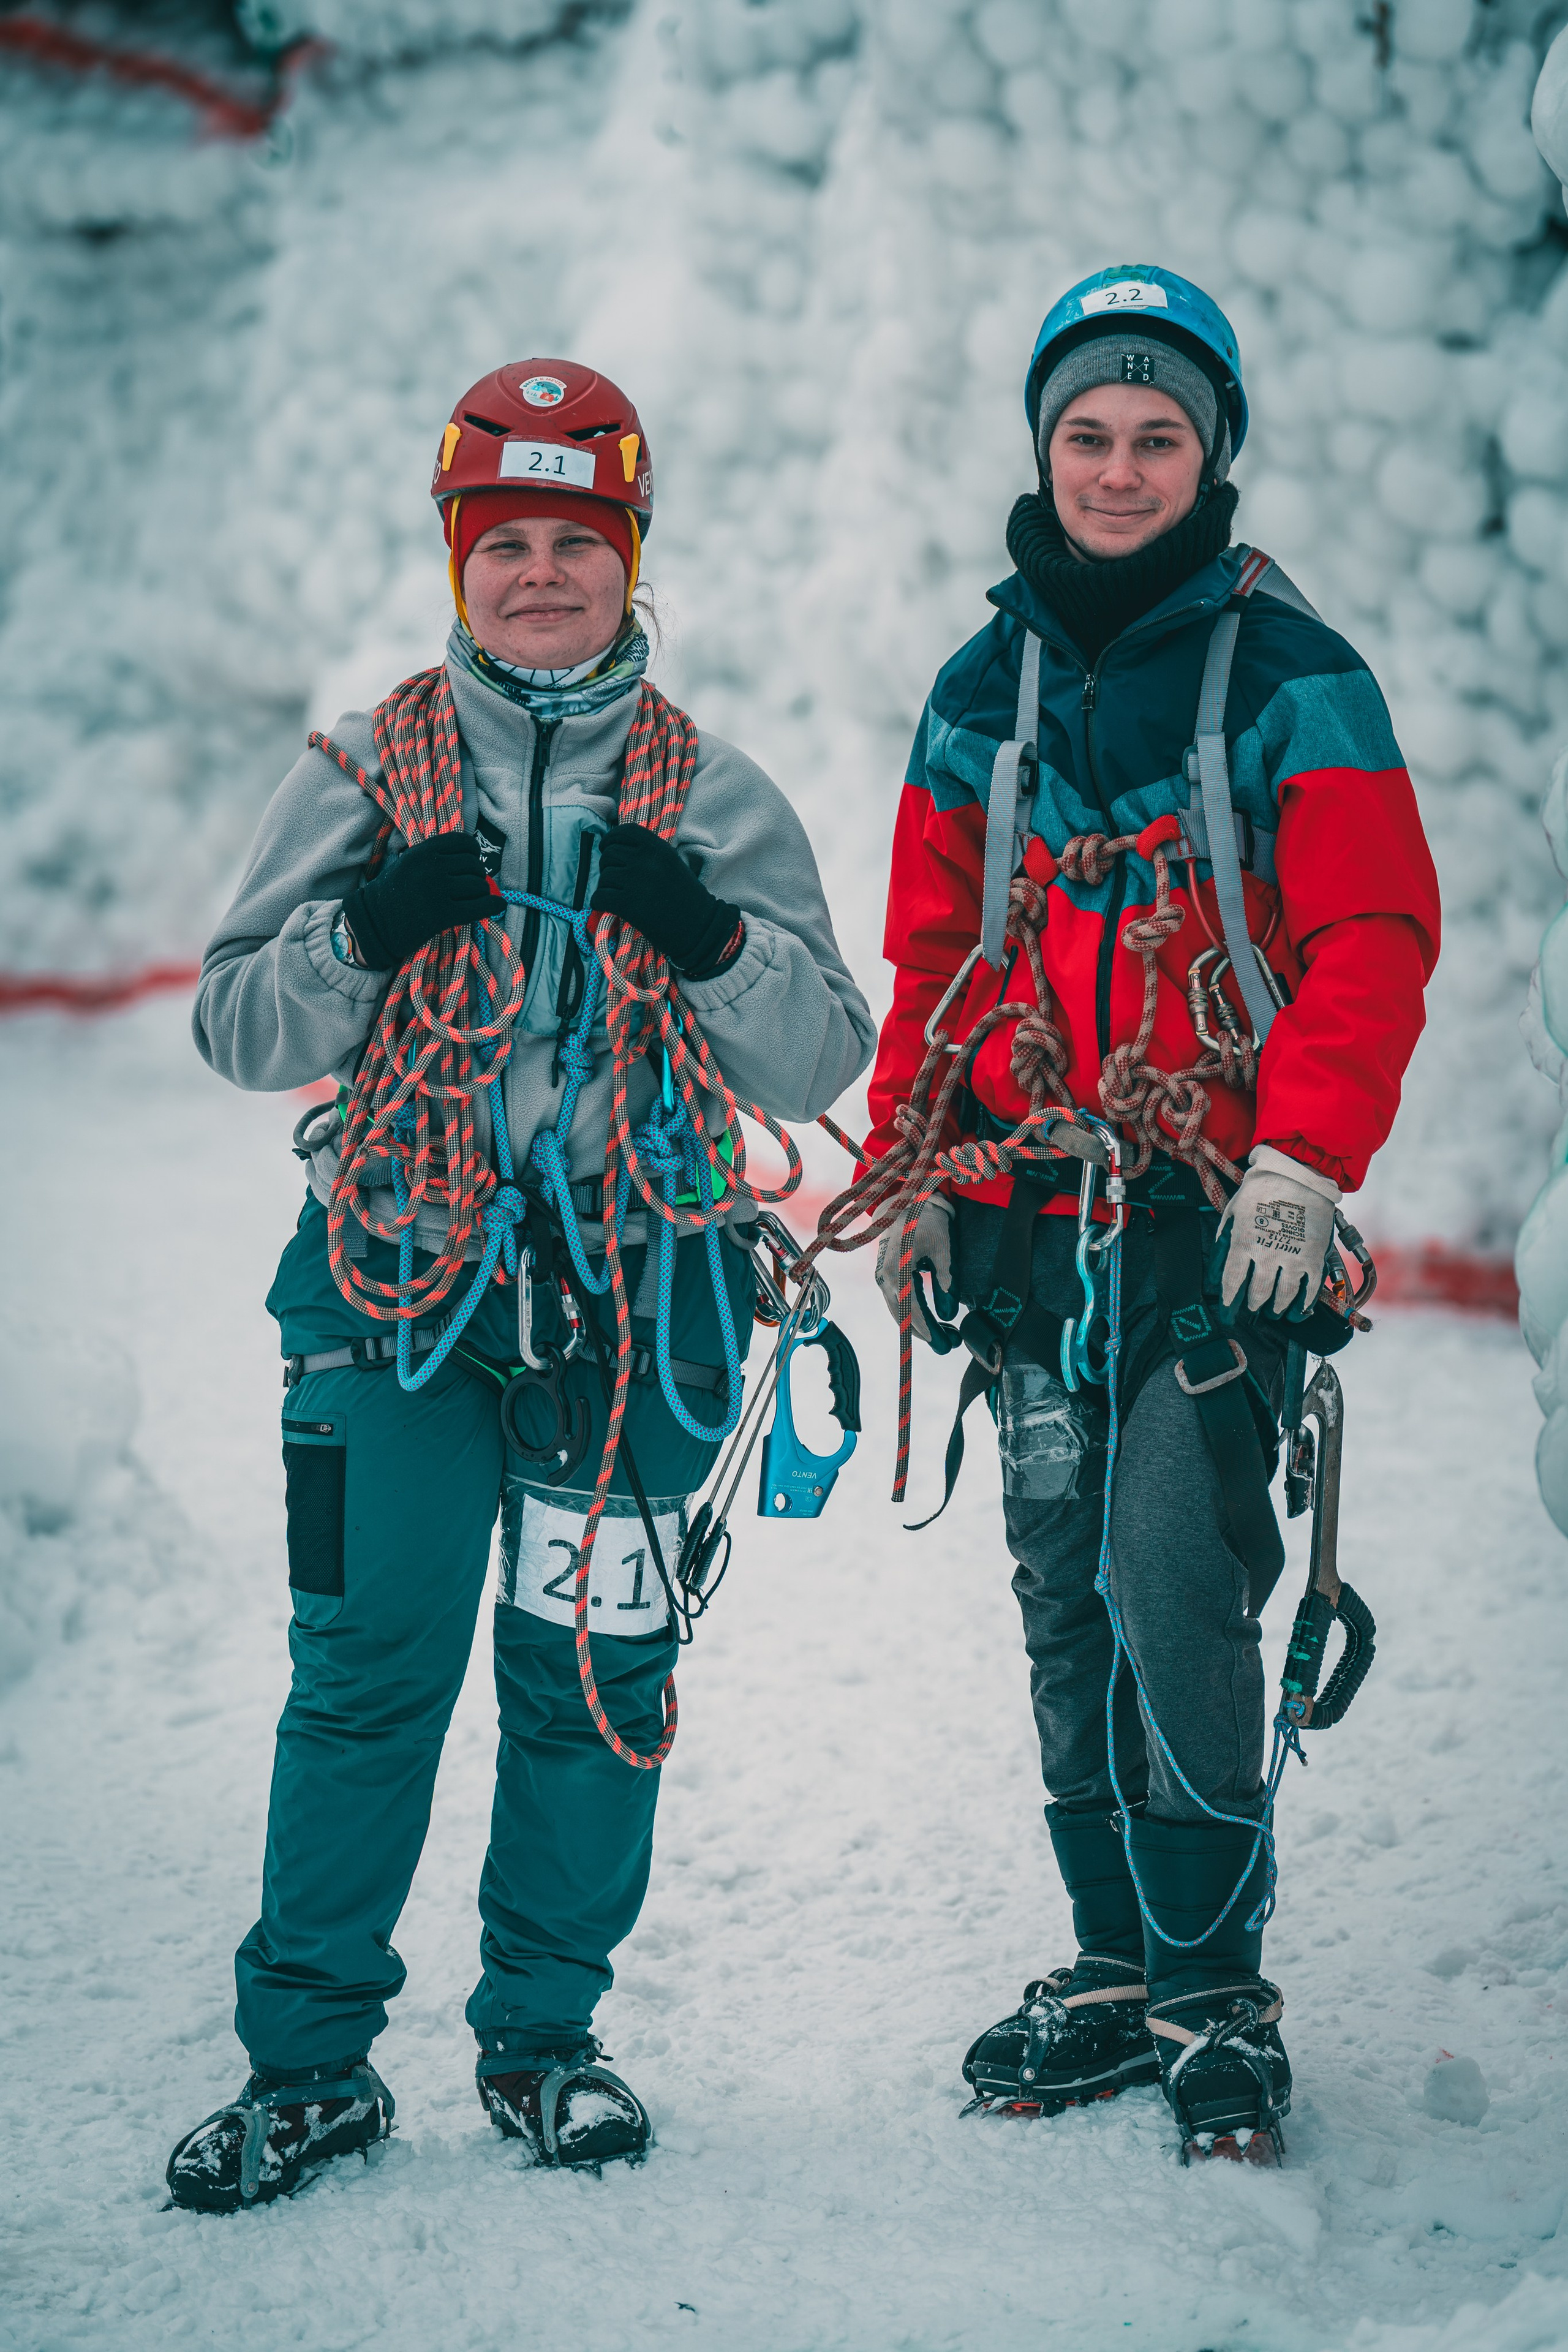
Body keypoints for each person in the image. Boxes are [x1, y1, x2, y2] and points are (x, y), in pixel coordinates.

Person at [171, 358, 874, 2211]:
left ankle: (546, 2040)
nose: (541, 575)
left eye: (576, 540)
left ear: (631, 552)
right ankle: (308, 2066)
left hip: (636, 1302)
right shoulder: (357, 773)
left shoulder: (715, 793)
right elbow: (237, 1024)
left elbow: (822, 1053)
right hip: (391, 1293)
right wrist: (368, 927)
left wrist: (703, 933)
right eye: (507, 543)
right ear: (456, 561)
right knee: (366, 1678)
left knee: (592, 1678)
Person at [865, 268, 1440, 2155]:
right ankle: (1116, 1967)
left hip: (1215, 1215)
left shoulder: (1293, 677)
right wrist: (915, 1166)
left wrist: (1306, 1161)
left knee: (1175, 1570)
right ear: (1046, 450)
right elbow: (935, 956)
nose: (1118, 469)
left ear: (1213, 455)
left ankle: (1214, 1993)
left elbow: (1371, 932)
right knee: (1061, 1587)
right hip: (1033, 1211)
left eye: (1158, 437)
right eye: (1089, 435)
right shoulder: (981, 693)